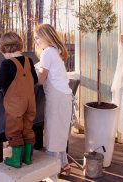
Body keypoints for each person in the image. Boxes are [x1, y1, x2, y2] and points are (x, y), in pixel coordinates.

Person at [0, 32, 38, 168]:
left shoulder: (7, 64)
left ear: (5, 48)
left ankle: (16, 160)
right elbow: (36, 80)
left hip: (15, 104)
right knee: (28, 127)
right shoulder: (29, 60)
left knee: (14, 129)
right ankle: (27, 158)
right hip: (30, 102)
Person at [34, 24, 72, 177]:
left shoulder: (47, 52)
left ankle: (52, 174)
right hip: (65, 98)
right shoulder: (55, 51)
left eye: (37, 37)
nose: (36, 41)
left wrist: (28, 82)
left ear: (46, 36)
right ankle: (64, 164)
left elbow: (41, 80)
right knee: (60, 134)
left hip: (56, 99)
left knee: (52, 134)